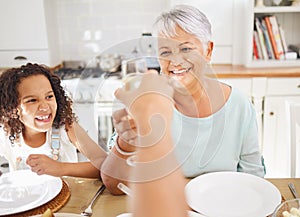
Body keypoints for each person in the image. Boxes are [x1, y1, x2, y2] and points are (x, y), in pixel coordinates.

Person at [100, 4, 265, 195]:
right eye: (165, 52)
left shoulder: (239, 106)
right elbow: (114, 185)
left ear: (208, 51)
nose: (176, 61)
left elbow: (253, 177)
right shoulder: (148, 103)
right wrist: (126, 142)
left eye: (186, 49)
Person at [0, 63, 107, 179]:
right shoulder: (6, 133)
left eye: (49, 97)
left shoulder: (66, 127)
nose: (45, 107)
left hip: (68, 196)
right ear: (11, 108)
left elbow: (105, 166)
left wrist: (60, 168)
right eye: (32, 100)